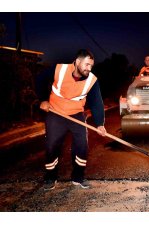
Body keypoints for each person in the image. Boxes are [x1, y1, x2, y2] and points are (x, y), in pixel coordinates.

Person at [38, 49, 106, 191]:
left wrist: (100, 124)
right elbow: (40, 79)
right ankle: (50, 177)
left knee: (82, 145)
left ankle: (78, 177)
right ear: (77, 62)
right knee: (51, 146)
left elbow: (96, 102)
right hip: (56, 112)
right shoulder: (59, 69)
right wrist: (43, 99)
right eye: (87, 65)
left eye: (91, 66)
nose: (89, 68)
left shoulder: (92, 80)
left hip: (76, 114)